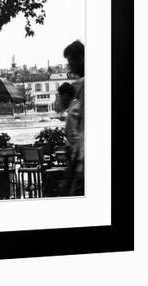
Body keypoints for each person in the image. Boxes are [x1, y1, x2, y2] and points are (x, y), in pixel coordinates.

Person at [63, 40, 85, 196]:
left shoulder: (84, 87)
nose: (70, 67)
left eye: (72, 62)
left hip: (82, 162)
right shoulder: (81, 87)